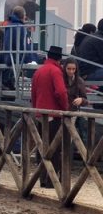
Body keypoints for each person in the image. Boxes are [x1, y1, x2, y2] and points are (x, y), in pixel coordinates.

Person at [31, 46, 68, 188]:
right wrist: (65, 108)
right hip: (53, 113)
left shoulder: (39, 71)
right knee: (54, 148)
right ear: (60, 58)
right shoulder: (56, 71)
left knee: (42, 146)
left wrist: (36, 108)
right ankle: (51, 180)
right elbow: (60, 92)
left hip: (40, 112)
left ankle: (42, 178)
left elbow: (33, 93)